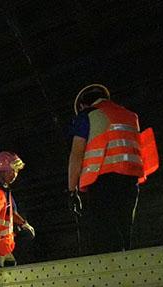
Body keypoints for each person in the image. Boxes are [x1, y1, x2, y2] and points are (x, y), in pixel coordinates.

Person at [67, 84, 144, 253]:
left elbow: (77, 154)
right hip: (131, 180)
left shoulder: (87, 115)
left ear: (82, 105)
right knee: (125, 229)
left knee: (104, 232)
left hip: (102, 180)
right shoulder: (131, 116)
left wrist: (72, 190)